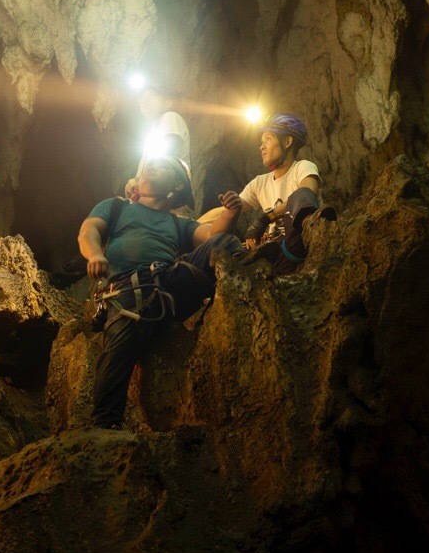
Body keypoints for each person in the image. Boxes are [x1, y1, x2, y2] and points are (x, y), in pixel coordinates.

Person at [78, 156, 244, 429]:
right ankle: (104, 425)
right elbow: (89, 230)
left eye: (163, 166)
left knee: (226, 243)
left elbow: (213, 235)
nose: (151, 167)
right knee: (120, 343)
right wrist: (95, 254)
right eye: (149, 166)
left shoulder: (179, 224)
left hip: (168, 284)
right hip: (127, 289)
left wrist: (230, 212)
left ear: (177, 186)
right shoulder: (117, 207)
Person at [238, 113, 333, 274]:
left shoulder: (303, 167)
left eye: (268, 139)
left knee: (300, 195)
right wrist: (194, 225)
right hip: (280, 255)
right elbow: (228, 210)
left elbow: (306, 192)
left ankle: (314, 232)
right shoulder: (260, 182)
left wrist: (266, 218)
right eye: (261, 142)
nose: (261, 147)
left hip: (299, 244)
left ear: (287, 142)